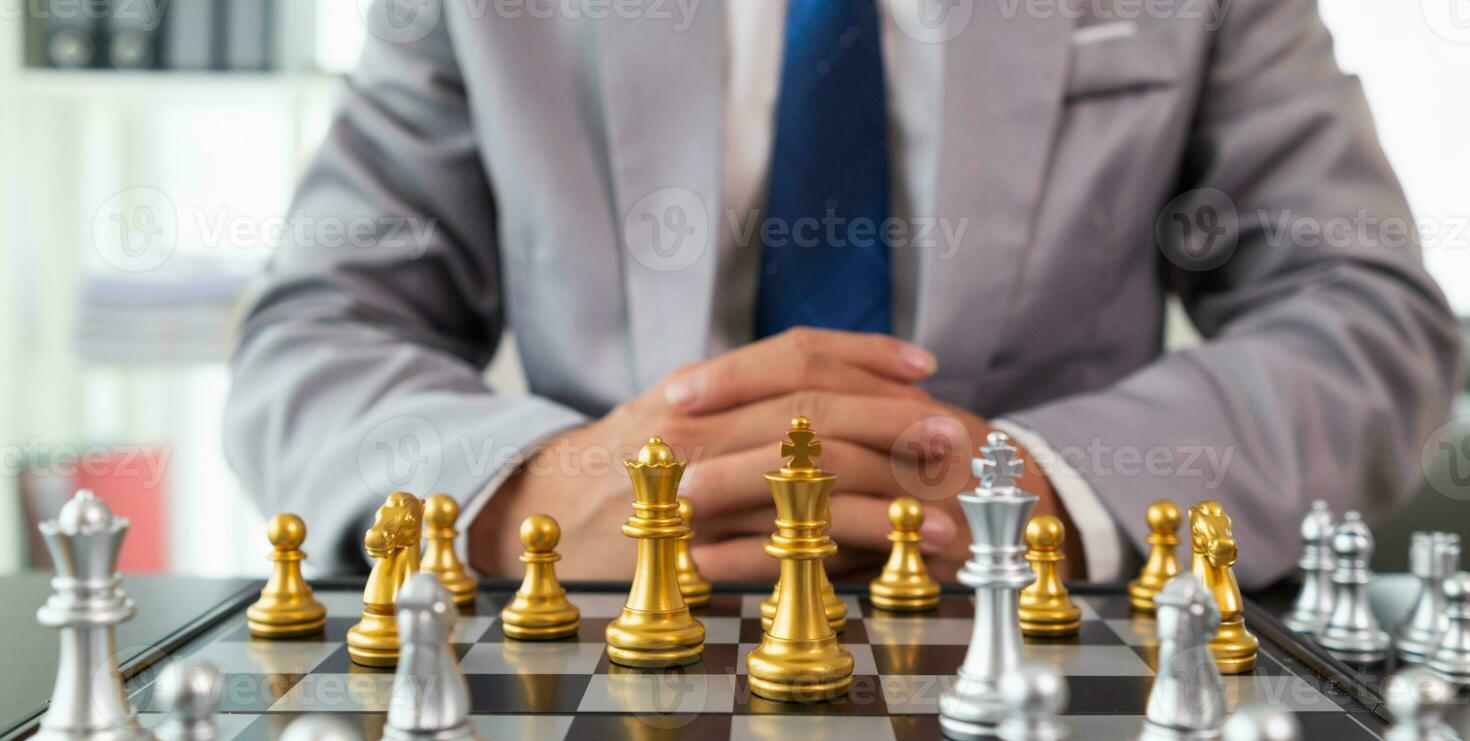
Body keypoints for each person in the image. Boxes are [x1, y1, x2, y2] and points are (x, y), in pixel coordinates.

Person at [225, 0, 1461, 589]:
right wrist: (534, 503)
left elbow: (1365, 309)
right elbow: (315, 333)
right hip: (601, 626)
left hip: (1059, 639)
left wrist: (1051, 489)